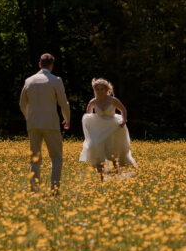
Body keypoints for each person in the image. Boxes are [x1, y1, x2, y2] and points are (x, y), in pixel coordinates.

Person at [19, 53, 70, 192]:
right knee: (56, 158)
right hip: (51, 124)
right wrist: (67, 119)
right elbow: (63, 104)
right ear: (52, 66)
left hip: (33, 124)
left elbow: (22, 103)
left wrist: (28, 117)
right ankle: (54, 189)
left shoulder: (29, 81)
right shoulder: (55, 80)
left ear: (39, 64)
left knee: (35, 159)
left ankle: (34, 190)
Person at [79, 78, 136, 178]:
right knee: (96, 149)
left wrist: (123, 120)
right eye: (97, 89)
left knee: (112, 152)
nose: (99, 91)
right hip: (99, 129)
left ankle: (116, 173)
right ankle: (101, 177)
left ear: (106, 89)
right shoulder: (93, 101)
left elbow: (123, 110)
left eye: (102, 89)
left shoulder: (113, 100)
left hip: (112, 128)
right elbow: (88, 116)